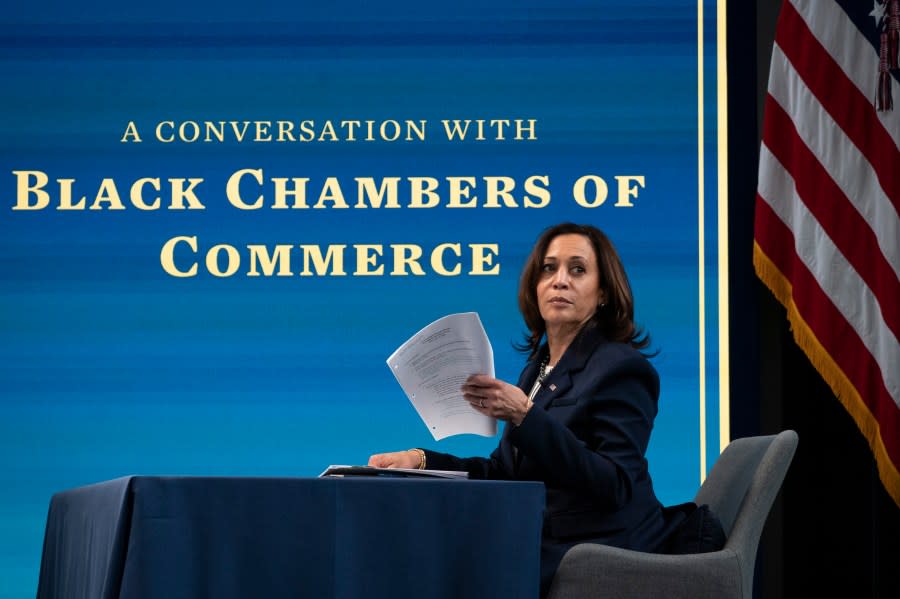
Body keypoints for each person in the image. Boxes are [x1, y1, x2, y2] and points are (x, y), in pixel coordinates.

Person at [369, 222, 672, 597]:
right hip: (541, 535)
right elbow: (503, 472)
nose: (560, 280)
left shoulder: (622, 368)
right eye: (549, 268)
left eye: (578, 269)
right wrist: (420, 461)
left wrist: (526, 417)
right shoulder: (539, 367)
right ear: (534, 285)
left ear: (604, 293)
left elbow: (615, 485)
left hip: (599, 548)